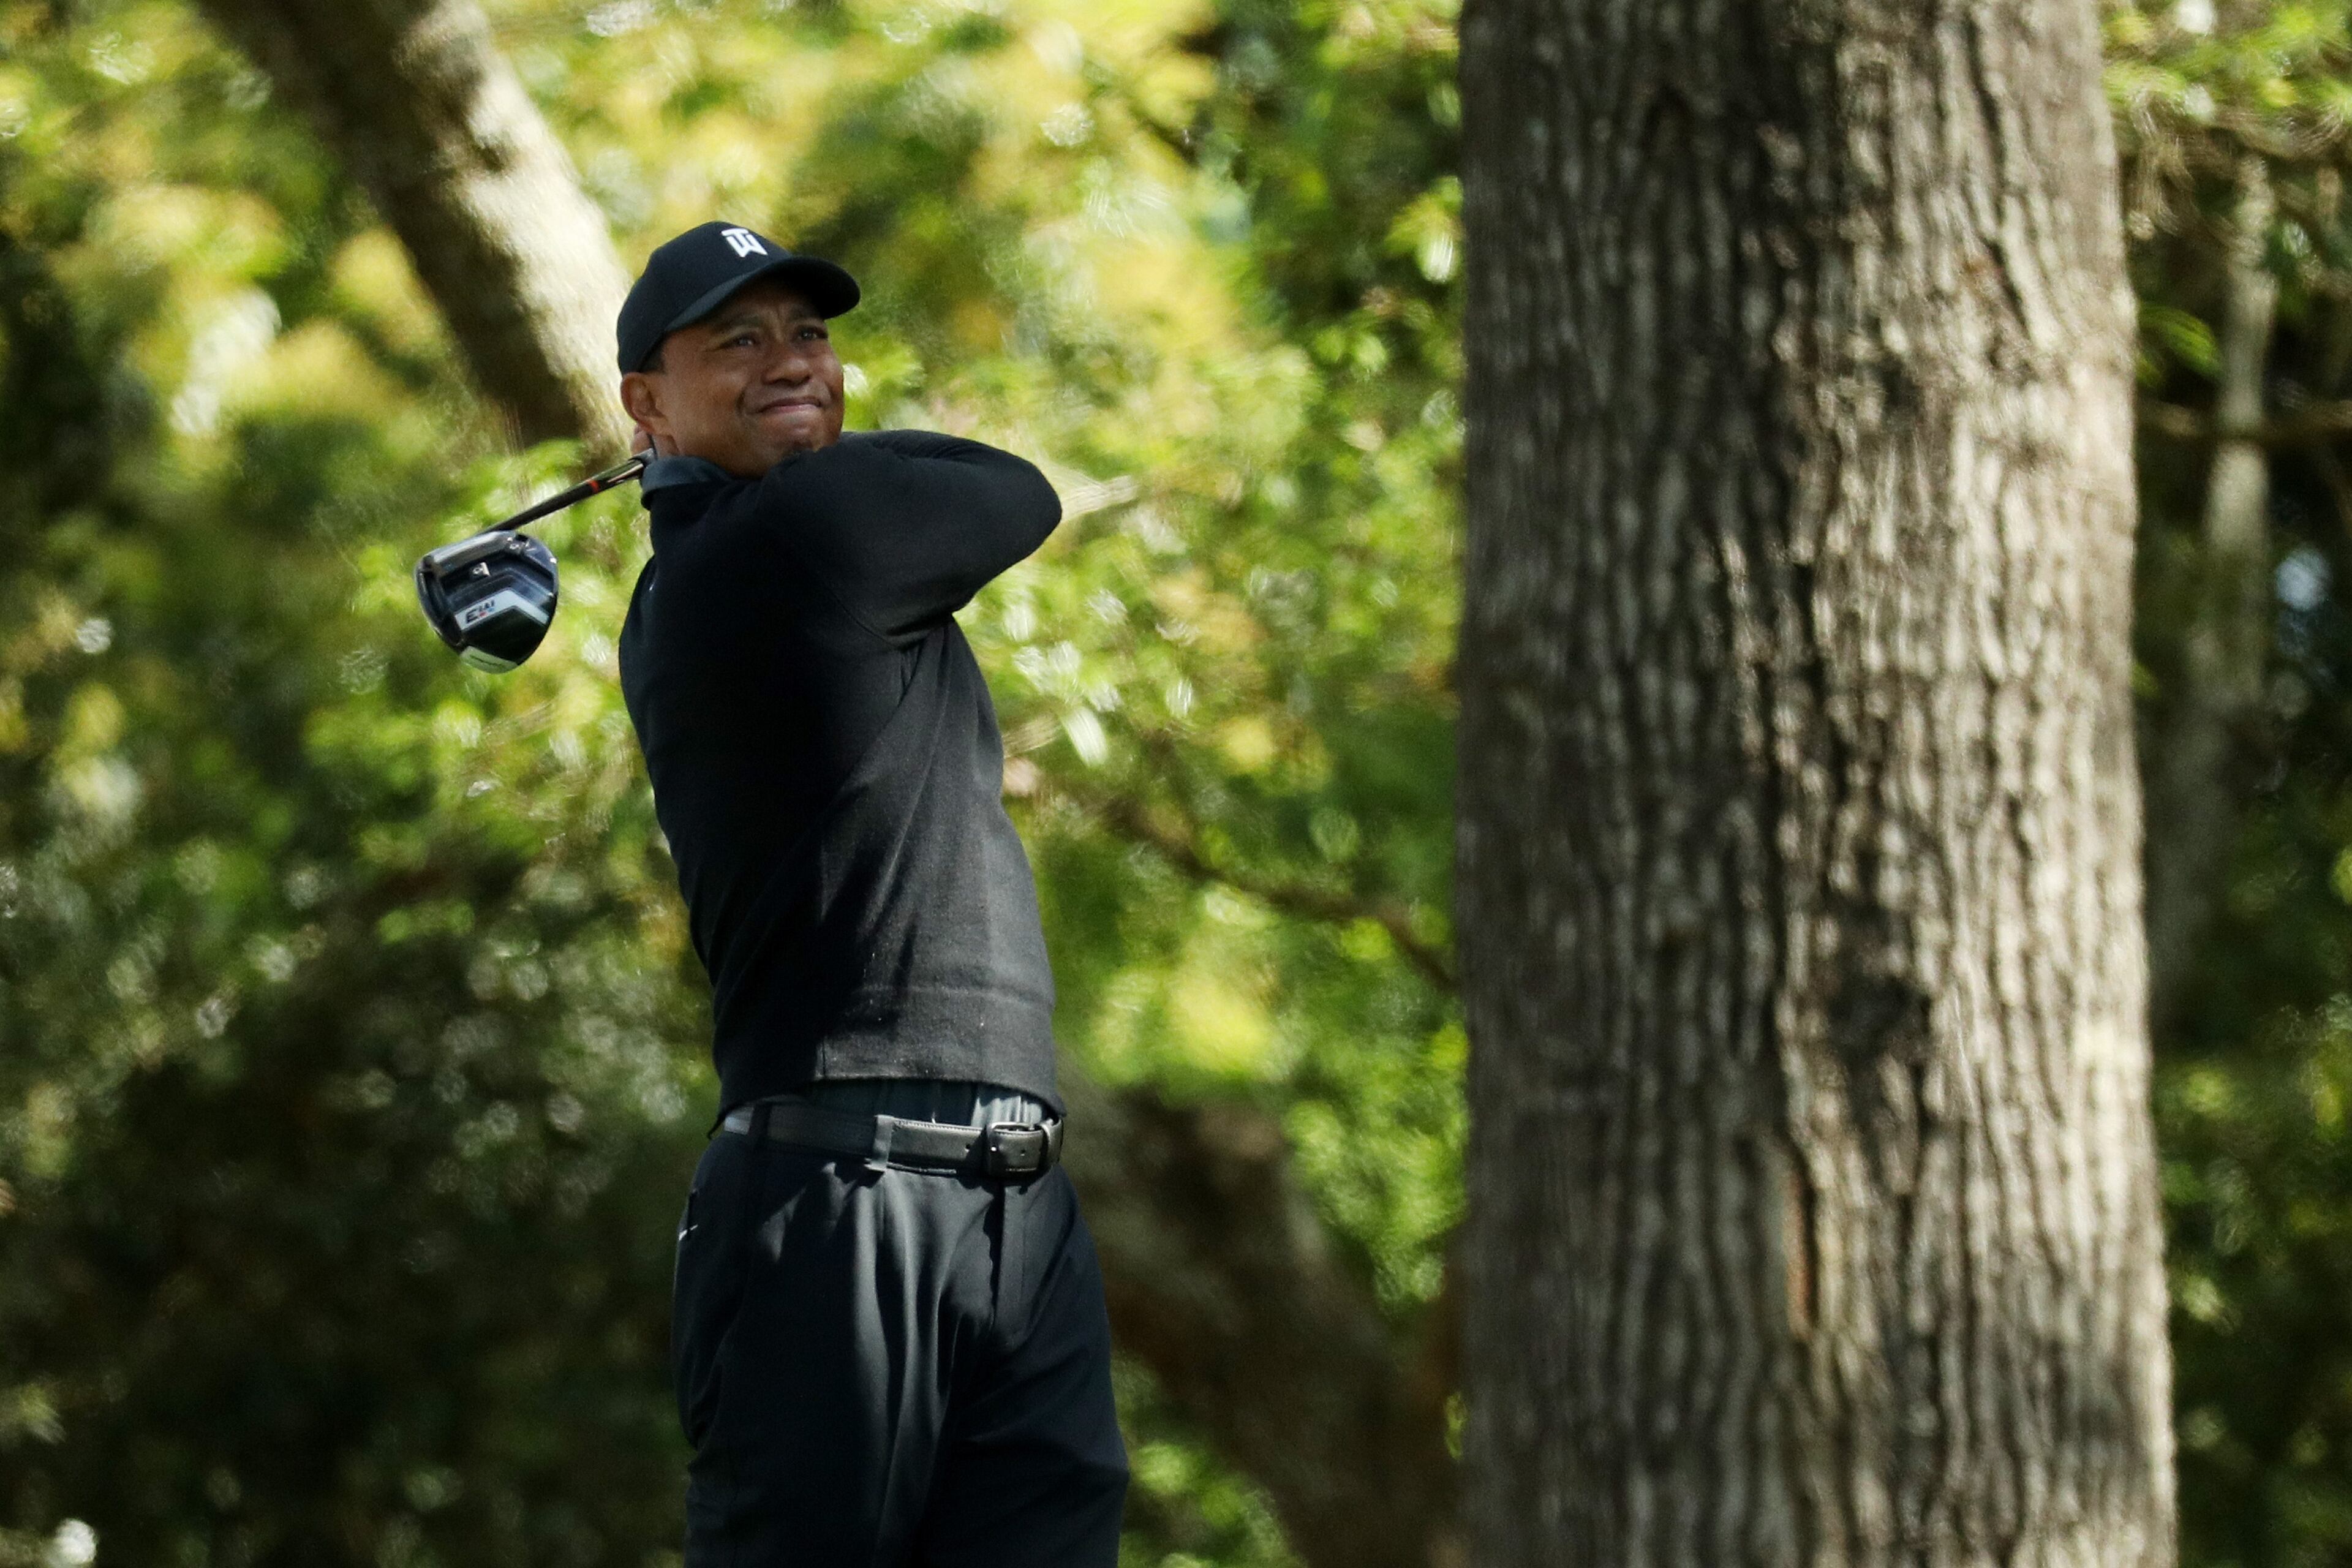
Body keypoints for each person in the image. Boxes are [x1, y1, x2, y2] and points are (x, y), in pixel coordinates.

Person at [611, 220, 1128, 1566]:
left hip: (1019, 1194)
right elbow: (1010, 489)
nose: (793, 365)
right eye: (739, 342)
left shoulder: (789, 532)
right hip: (838, 1190)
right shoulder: (779, 551)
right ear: (645, 404)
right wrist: (720, 474)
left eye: (812, 336)